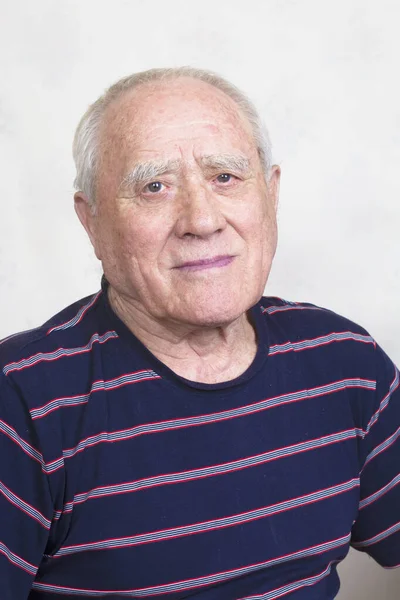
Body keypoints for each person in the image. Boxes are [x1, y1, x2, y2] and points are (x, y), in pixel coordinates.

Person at [0, 67, 398, 600]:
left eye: (225, 178)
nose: (202, 219)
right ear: (91, 221)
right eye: (154, 186)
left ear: (271, 193)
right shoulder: (23, 402)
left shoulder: (344, 363)